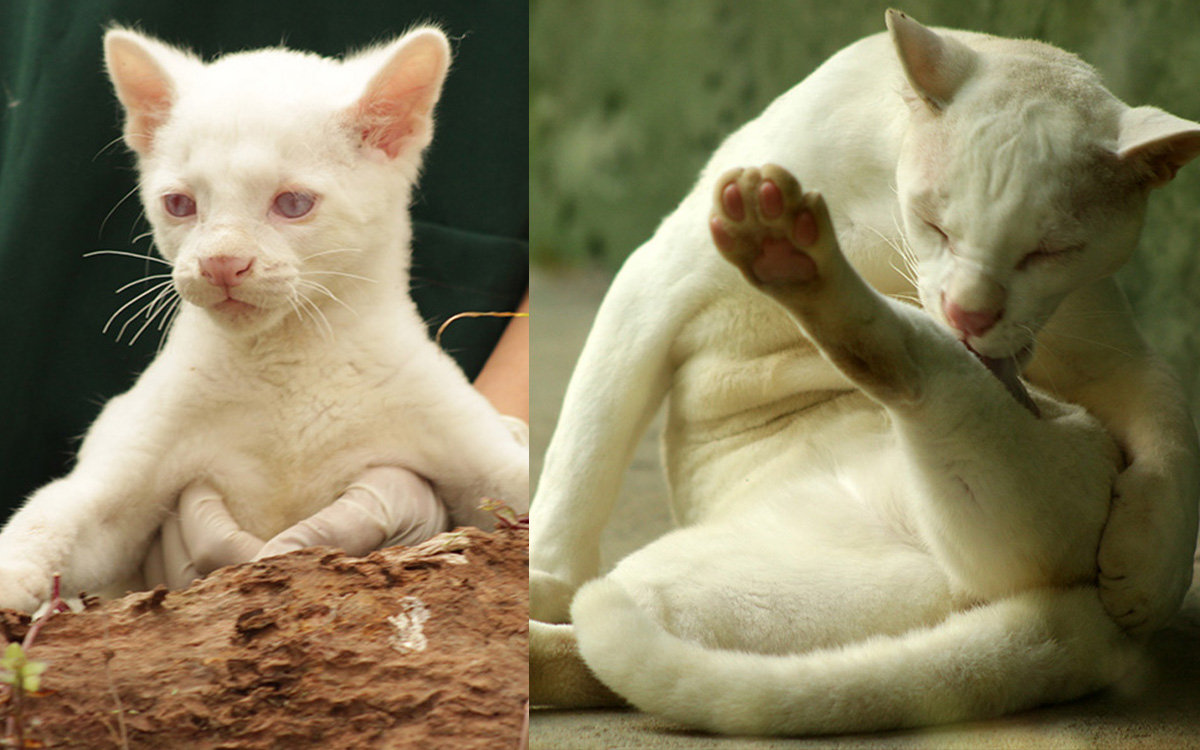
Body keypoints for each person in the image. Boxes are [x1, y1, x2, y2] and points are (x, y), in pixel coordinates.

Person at [0, 0, 528, 589]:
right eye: (181, 205)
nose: (220, 256)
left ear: (391, 133)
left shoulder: (399, 377)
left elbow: (520, 504)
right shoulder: (192, 379)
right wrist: (23, 571)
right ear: (146, 130)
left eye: (293, 203)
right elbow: (86, 518)